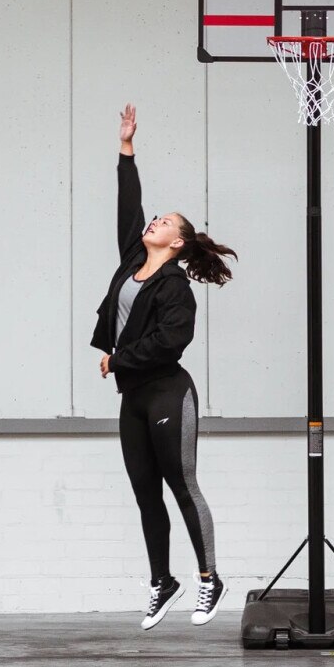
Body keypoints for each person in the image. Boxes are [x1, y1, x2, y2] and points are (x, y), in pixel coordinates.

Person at [91, 104, 236, 630]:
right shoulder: (133, 260)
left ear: (177, 242)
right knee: (144, 492)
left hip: (169, 393)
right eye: (158, 218)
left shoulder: (175, 285)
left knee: (182, 485)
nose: (155, 221)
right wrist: (126, 148)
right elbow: (129, 207)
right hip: (133, 397)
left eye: (166, 222)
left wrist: (118, 358)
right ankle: (162, 582)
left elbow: (172, 342)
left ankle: (209, 579)